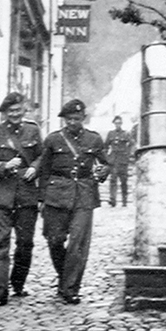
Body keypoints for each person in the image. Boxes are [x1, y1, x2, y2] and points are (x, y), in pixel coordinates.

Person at [39, 99, 109, 305]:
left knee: (78, 244)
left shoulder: (94, 139)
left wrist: (102, 172)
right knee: (54, 240)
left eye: (76, 119)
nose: (72, 123)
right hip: (56, 195)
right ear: (64, 120)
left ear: (83, 118)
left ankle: (71, 288)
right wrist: (41, 199)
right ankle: (64, 277)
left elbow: (105, 164)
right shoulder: (53, 140)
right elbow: (44, 170)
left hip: (84, 195)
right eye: (68, 119)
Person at [0, 92, 43, 306]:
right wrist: (3, 166)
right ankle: (1, 289)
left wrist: (34, 167)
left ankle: (18, 283)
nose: (15, 114)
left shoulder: (33, 130)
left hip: (26, 195)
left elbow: (43, 156)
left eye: (18, 110)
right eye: (10, 111)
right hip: (1, 195)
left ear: (24, 110)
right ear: (5, 113)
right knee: (0, 243)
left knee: (25, 243)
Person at [104, 115, 133, 207]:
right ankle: (113, 200)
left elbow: (132, 144)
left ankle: (124, 201)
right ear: (114, 124)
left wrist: (128, 154)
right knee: (113, 180)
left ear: (121, 124)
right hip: (114, 160)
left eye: (119, 123)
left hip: (123, 160)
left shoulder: (126, 134)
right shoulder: (110, 134)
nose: (118, 125)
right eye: (116, 123)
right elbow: (105, 146)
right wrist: (107, 157)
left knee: (123, 181)